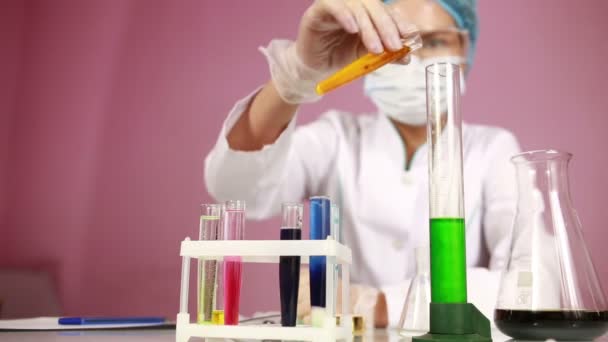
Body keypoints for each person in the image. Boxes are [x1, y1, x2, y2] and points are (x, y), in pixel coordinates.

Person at [205, 0, 520, 328]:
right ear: (368, 50)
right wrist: (297, 76)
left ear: (465, 50)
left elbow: (529, 282)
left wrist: (377, 304)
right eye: (394, 42)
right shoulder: (336, 138)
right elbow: (236, 189)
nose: (413, 57)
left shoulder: (493, 150)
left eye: (436, 41)